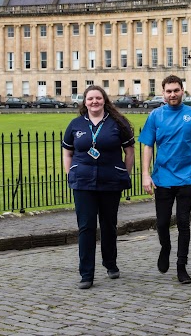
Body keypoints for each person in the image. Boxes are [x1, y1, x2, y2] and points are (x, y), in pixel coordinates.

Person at [139, 75, 191, 284]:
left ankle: (181, 266)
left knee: (183, 223)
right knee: (162, 223)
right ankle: (166, 247)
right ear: (163, 93)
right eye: (169, 91)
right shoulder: (155, 116)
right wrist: (145, 174)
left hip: (187, 177)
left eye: (176, 90)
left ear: (183, 91)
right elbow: (147, 145)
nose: (172, 94)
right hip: (162, 178)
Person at [62, 85, 135, 289]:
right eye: (90, 98)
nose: (94, 102)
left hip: (110, 180)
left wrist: (124, 173)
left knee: (109, 224)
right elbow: (67, 152)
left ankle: (110, 263)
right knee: (86, 227)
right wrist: (71, 173)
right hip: (83, 182)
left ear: (104, 100)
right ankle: (86, 274)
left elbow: (129, 152)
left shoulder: (117, 124)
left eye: (98, 98)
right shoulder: (76, 125)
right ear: (84, 102)